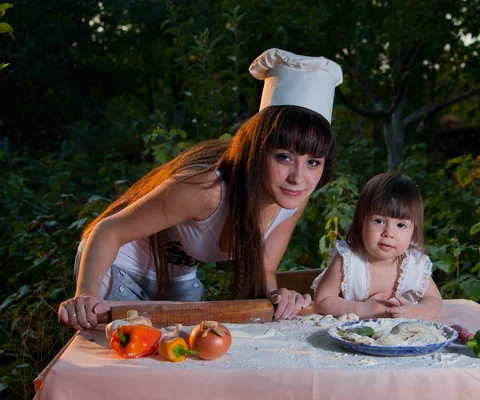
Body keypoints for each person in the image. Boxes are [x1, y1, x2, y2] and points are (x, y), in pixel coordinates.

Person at [58, 48, 343, 330]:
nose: (298, 177)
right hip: (117, 263)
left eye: (313, 162)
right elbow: (109, 231)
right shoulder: (206, 191)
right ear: (256, 151)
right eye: (284, 157)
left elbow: (265, 269)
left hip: (177, 275)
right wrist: (86, 296)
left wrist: (276, 296)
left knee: (194, 347)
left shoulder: (295, 195)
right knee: (128, 350)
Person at [312, 172, 442, 320]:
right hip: (352, 336)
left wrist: (416, 311)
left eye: (401, 225)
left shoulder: (414, 263)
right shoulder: (349, 260)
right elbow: (322, 300)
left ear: (414, 230)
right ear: (361, 221)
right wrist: (360, 308)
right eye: (379, 221)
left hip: (399, 339)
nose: (389, 233)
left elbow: (434, 300)